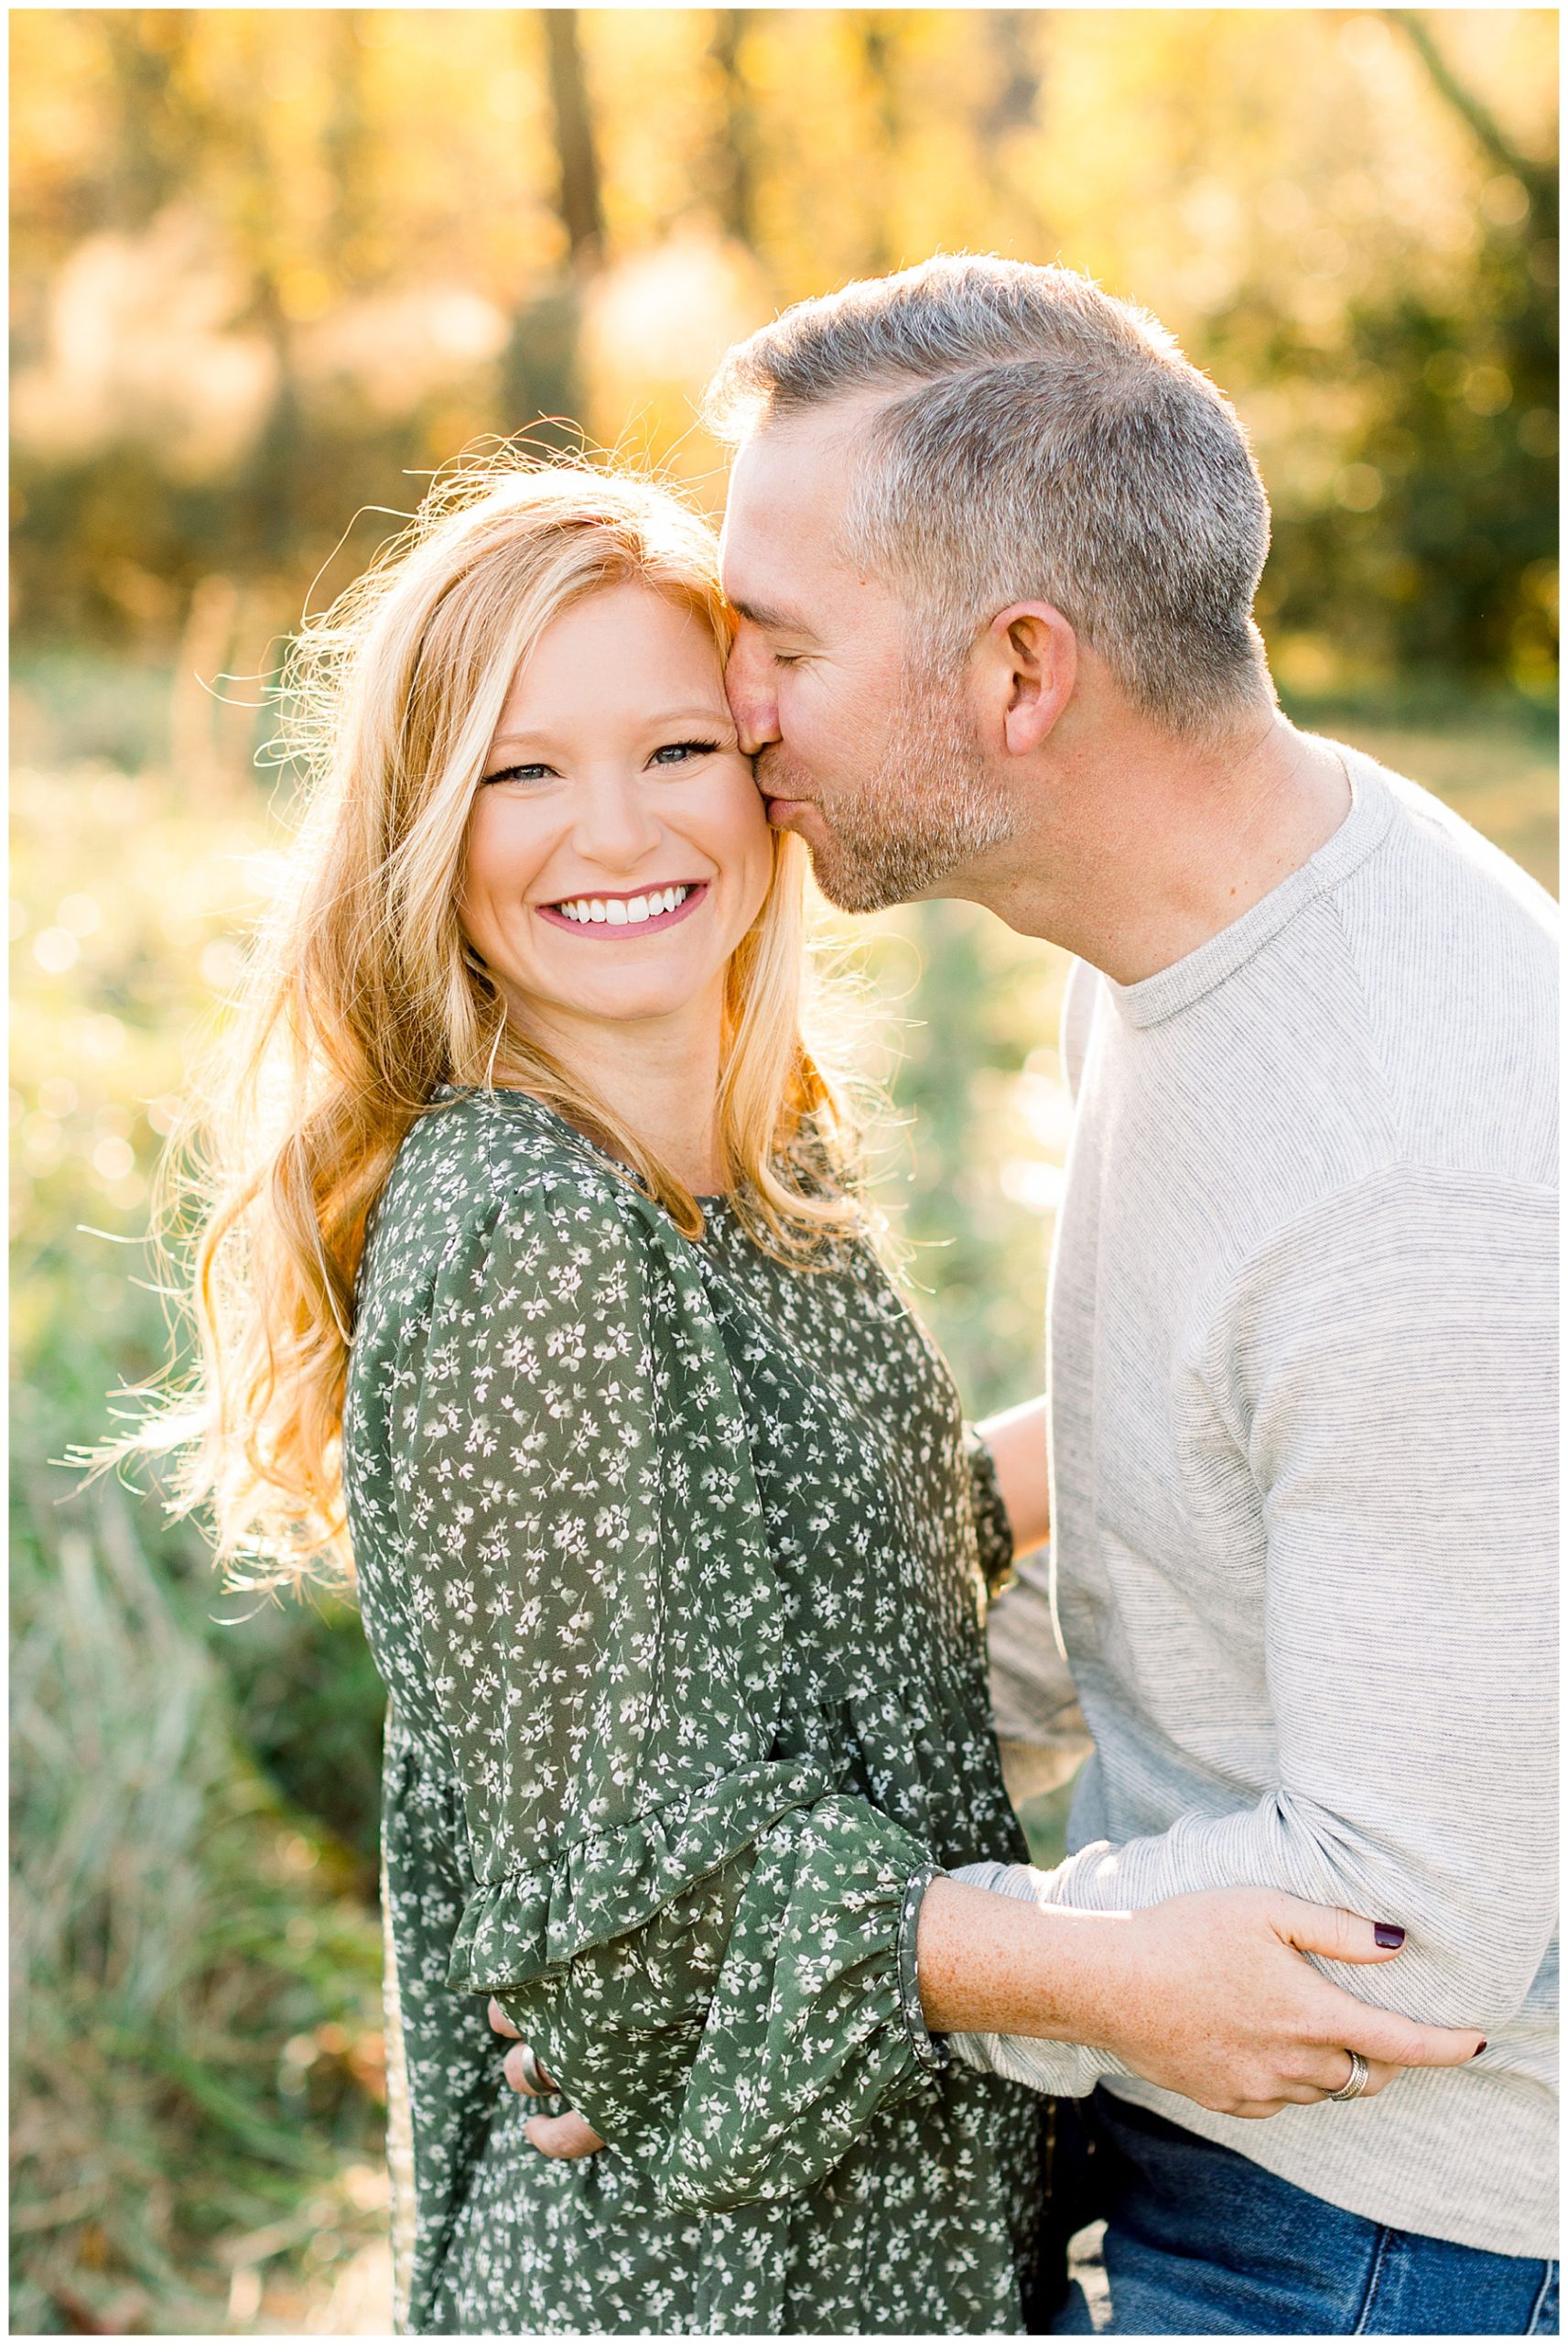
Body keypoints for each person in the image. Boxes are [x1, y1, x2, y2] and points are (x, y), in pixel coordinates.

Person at [144, 457, 1484, 2337]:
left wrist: (1243, 1403)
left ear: (764, 779)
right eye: (520, 770)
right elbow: (636, 1902)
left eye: (674, 748)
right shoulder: (525, 1227)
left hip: (890, 2250)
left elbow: (837, 1584)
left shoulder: (755, 1183)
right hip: (694, 2283)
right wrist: (1107, 1969)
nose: (608, 829)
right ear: (425, 827)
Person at [678, 254, 1555, 2335]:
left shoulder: (1404, 1165)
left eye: (781, 641)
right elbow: (1196, 1515)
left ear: (1017, 676)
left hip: (1367, 2238)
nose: (736, 706)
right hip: (1222, 2156)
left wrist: (873, 1955)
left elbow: (1394, 1930)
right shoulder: (1200, 930)